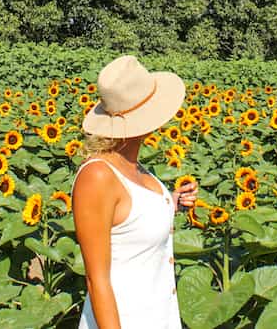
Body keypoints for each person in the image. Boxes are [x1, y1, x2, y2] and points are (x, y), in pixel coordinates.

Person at [71, 55, 198, 329]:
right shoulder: (97, 176)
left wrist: (171, 203)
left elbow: (128, 219)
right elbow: (97, 281)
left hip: (160, 317)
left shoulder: (131, 163)